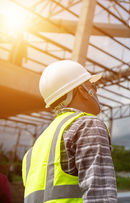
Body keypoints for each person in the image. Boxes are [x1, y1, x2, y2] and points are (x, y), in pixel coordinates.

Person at [22, 60, 117, 202]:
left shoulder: (34, 150)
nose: (96, 92)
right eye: (93, 86)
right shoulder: (88, 125)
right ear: (82, 91)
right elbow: (100, 196)